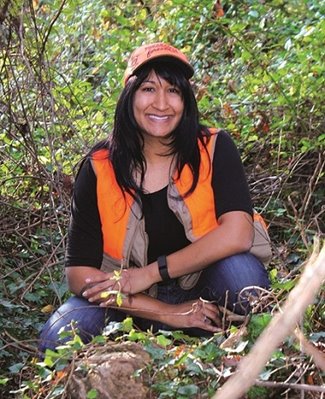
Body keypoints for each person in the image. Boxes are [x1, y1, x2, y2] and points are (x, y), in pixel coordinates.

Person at [39, 42, 271, 352]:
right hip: (130, 303)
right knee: (58, 339)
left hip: (203, 284)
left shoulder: (214, 147)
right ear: (129, 96)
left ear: (185, 100)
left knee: (244, 280)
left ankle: (224, 335)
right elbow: (79, 274)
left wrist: (149, 274)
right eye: (148, 88)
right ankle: (161, 331)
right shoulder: (99, 166)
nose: (161, 104)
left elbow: (238, 234)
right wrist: (168, 312)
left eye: (173, 91)